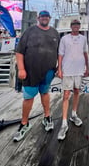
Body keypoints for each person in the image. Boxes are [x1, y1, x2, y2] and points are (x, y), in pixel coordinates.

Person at [13, 10, 60, 142]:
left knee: (45, 94)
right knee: (28, 98)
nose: (44, 18)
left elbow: (59, 53)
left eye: (46, 16)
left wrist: (59, 68)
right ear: (38, 18)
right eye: (42, 16)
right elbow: (19, 52)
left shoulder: (54, 33)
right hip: (30, 72)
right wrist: (21, 69)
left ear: (49, 18)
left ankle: (47, 117)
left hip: (48, 72)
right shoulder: (29, 31)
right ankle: (24, 123)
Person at [57, 19, 89, 141]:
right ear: (71, 27)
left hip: (79, 70)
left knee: (76, 91)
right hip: (67, 70)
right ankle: (64, 123)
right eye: (74, 25)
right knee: (66, 95)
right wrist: (59, 69)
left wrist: (87, 67)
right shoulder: (64, 39)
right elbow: (60, 55)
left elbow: (85, 53)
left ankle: (74, 114)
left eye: (77, 25)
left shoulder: (83, 39)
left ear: (79, 27)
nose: (75, 26)